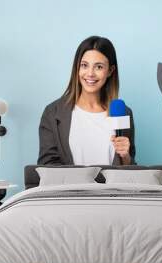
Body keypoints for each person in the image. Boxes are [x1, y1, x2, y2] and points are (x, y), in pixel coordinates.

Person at [37, 36, 136, 166]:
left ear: (110, 71)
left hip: (112, 187)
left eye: (99, 67)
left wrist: (126, 157)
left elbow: (130, 171)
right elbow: (47, 166)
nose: (90, 73)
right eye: (84, 65)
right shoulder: (53, 112)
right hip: (70, 187)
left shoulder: (123, 112)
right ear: (77, 68)